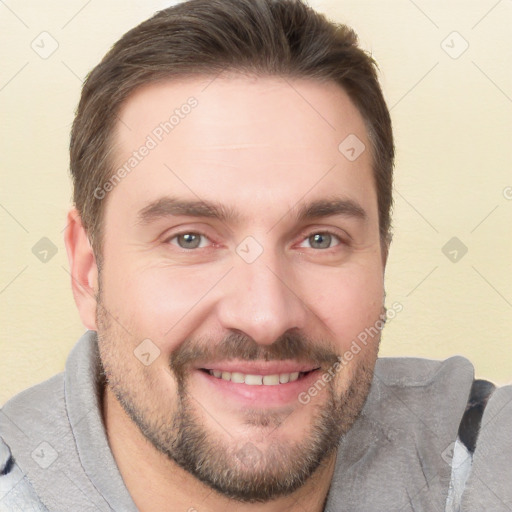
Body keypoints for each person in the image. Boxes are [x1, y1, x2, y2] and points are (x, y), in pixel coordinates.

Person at [1, 0, 510, 511]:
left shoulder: (486, 457)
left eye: (320, 239)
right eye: (190, 239)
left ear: (381, 261)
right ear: (89, 273)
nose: (265, 317)